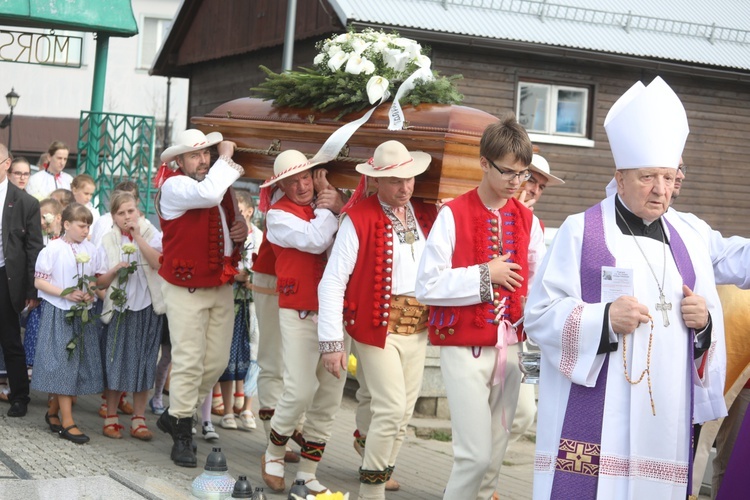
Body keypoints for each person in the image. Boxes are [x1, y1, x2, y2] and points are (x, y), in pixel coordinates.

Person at [523, 76, 730, 499]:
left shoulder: (690, 240)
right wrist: (602, 319)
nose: (660, 190)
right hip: (600, 410)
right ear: (619, 177)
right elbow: (539, 316)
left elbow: (708, 334)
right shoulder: (582, 232)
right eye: (648, 176)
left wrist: (705, 325)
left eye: (669, 178)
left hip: (663, 419)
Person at [416, 117, 546, 500]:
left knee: (501, 442)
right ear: (484, 163)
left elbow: (539, 284)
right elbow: (427, 285)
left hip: (511, 347)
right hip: (464, 347)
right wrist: (484, 276)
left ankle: (481, 493)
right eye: (507, 171)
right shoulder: (452, 214)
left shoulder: (529, 220)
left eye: (523, 174)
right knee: (473, 455)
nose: (515, 182)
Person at [319, 140, 436, 500]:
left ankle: (380, 472)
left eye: (410, 179)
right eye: (396, 181)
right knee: (388, 406)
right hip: (375, 327)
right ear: (376, 182)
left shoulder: (427, 214)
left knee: (402, 413)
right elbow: (333, 281)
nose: (405, 188)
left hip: (417, 328)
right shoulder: (358, 218)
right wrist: (332, 343)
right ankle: (371, 492)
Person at [154, 129, 247, 468]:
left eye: (207, 154)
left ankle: (175, 414)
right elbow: (207, 196)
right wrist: (227, 155)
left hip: (218, 285)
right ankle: (181, 430)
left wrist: (241, 232)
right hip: (185, 287)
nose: (204, 160)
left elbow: (223, 227)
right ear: (179, 161)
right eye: (196, 155)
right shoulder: (174, 185)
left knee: (216, 362)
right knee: (190, 360)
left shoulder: (217, 187)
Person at [259, 149, 346, 494]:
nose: (301, 186)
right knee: (300, 389)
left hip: (336, 314)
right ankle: (273, 451)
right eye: (292, 181)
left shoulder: (332, 204)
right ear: (280, 185)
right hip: (299, 311)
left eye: (306, 177)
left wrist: (339, 205)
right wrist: (330, 207)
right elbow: (315, 239)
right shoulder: (276, 216)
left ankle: (308, 471)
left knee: (329, 397)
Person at [96, 191, 165, 440]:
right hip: (120, 308)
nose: (127, 217)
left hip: (148, 307)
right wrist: (115, 270)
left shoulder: (150, 233)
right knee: (116, 361)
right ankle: (111, 416)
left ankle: (139, 419)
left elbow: (158, 262)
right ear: (113, 217)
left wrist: (137, 236)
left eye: (130, 211)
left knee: (144, 362)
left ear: (138, 211)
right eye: (121, 213)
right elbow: (99, 283)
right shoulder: (108, 240)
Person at [32, 203, 103, 443]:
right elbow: (40, 282)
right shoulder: (53, 248)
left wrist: (90, 292)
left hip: (81, 313)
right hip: (59, 311)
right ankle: (68, 421)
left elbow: (94, 280)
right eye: (81, 226)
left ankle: (53, 411)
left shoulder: (92, 249)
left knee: (76, 364)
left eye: (88, 226)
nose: (85, 230)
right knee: (63, 364)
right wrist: (66, 293)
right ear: (66, 224)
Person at [510, 153, 566, 448]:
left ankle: (481, 482)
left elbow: (538, 280)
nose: (535, 190)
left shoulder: (535, 224)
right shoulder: (492, 212)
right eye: (532, 180)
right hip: (481, 332)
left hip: (517, 330)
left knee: (522, 414)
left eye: (541, 187)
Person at [0, 145, 44, 417]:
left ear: (6, 163)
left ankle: (19, 396)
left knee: (10, 338)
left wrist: (32, 289)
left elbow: (33, 248)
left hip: (6, 276)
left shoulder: (25, 202)